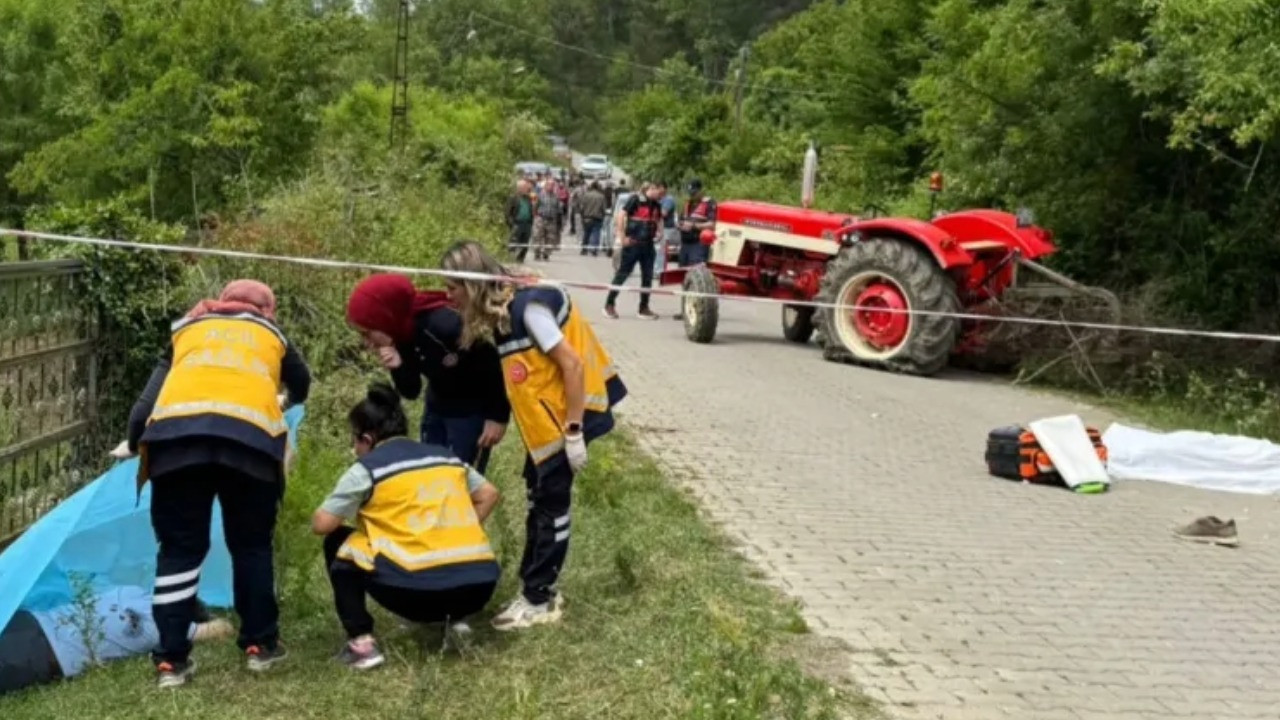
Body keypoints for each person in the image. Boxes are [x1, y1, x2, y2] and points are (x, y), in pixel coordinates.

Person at [124, 279, 311, 687]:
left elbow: (144, 407)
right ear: (269, 309)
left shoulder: (187, 328)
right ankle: (260, 645)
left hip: (176, 445)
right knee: (251, 545)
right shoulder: (270, 334)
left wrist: (134, 441)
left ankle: (172, 660)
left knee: (179, 550)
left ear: (221, 302)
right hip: (250, 445)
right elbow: (302, 384)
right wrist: (284, 400)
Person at [439, 241, 627, 630]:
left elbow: (572, 365)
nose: (447, 296)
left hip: (566, 420)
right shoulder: (503, 314)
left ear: (472, 284)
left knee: (551, 508)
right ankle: (533, 589)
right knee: (538, 500)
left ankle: (540, 598)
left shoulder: (528, 310)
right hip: (545, 426)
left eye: (452, 287)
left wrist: (573, 432)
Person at [311, 384, 501, 669]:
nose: (354, 449)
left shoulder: (367, 469)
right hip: (478, 588)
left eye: (354, 441)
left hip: (415, 595)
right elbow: (489, 494)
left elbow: (322, 524)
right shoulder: (445, 457)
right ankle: (456, 623)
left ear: (366, 438)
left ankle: (362, 644)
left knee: (338, 541)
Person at [345, 274, 509, 473]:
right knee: (430, 473)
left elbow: (493, 364)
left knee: (461, 479)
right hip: (437, 408)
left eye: (367, 333)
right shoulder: (400, 333)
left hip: (471, 414)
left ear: (385, 317)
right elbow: (411, 391)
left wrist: (497, 417)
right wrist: (398, 366)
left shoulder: (444, 327)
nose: (366, 342)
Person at [0, 587, 233, 695]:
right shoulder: (166, 629)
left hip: (30, 626)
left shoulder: (132, 591)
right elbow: (222, 629)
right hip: (40, 653)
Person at [603, 183, 665, 320]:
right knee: (622, 274)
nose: (660, 194)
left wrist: (661, 232)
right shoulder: (635, 200)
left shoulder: (656, 204)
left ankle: (644, 308)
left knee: (647, 277)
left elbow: (659, 219)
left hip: (648, 245)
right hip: (633, 244)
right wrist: (622, 237)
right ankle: (609, 305)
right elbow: (621, 216)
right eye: (658, 191)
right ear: (650, 189)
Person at [673, 178, 718, 320]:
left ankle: (701, 311)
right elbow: (681, 219)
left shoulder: (709, 203)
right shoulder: (687, 204)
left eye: (694, 192)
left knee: (698, 277)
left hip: (699, 243)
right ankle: (685, 310)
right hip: (685, 243)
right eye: (690, 192)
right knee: (685, 277)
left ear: (700, 190)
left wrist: (694, 226)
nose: (692, 195)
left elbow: (712, 224)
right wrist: (680, 225)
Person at [532, 177, 562, 262]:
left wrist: (559, 221)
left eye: (552, 185)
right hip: (541, 218)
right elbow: (534, 207)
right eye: (549, 185)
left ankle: (546, 254)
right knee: (537, 236)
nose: (551, 187)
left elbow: (558, 209)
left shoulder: (556, 197)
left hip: (551, 220)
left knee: (550, 238)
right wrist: (535, 217)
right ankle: (537, 253)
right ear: (545, 185)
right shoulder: (539, 195)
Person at [505, 178, 535, 262]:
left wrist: (531, 222)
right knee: (514, 242)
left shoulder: (529, 198)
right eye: (525, 187)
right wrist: (512, 224)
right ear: (520, 188)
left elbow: (533, 208)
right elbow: (507, 213)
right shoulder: (513, 198)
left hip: (527, 224)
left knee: (525, 243)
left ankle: (520, 259)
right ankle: (511, 259)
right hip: (517, 224)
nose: (527, 189)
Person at [578, 181, 607, 257]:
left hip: (587, 218)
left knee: (586, 233)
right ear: (598, 188)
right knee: (596, 234)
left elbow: (582, 207)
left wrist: (582, 216)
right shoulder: (601, 196)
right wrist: (603, 216)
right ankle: (594, 250)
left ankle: (584, 250)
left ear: (591, 187)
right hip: (597, 218)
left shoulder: (586, 195)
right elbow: (604, 209)